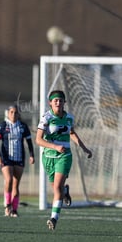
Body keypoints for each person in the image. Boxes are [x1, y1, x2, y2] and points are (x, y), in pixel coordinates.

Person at [36, 90, 92, 230]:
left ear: (64, 102)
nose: (58, 103)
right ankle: (65, 192)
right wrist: (54, 146)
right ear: (50, 103)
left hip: (64, 156)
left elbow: (72, 133)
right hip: (48, 157)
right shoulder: (46, 118)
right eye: (55, 100)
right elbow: (38, 140)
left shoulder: (69, 118)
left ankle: (54, 218)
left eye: (61, 100)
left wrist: (84, 148)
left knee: (56, 188)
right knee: (57, 189)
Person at [0, 105, 35, 217]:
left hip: (19, 158)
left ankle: (14, 209)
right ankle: (7, 205)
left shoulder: (23, 126)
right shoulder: (3, 126)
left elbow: (29, 141)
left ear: (19, 114)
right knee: (9, 180)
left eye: (16, 112)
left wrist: (32, 155)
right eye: (11, 112)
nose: (13, 114)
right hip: (6, 158)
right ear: (8, 113)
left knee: (16, 185)